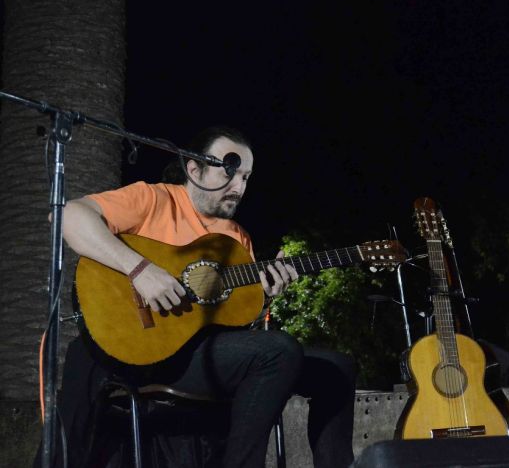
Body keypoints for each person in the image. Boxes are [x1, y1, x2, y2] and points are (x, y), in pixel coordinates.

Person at [52, 126, 356, 467]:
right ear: (194, 170)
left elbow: (233, 323)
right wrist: (139, 269)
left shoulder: (237, 237)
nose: (239, 188)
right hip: (146, 348)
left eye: (246, 177)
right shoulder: (154, 199)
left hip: (200, 353)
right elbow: (68, 215)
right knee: (279, 350)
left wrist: (266, 296)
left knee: (337, 368)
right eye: (229, 172)